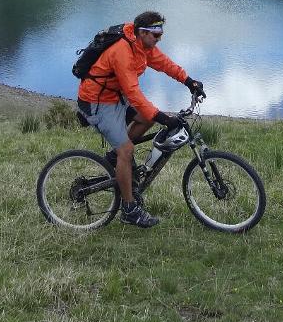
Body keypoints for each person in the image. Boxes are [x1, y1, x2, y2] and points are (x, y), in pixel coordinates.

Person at [76, 11, 204, 228]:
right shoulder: (122, 52)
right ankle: (129, 209)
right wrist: (164, 117)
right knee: (126, 150)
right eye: (155, 35)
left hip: (115, 97)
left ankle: (114, 159)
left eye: (161, 35)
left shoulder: (142, 47)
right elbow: (133, 93)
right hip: (97, 102)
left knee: (147, 119)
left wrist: (189, 81)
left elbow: (165, 64)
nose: (158, 40)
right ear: (142, 32)